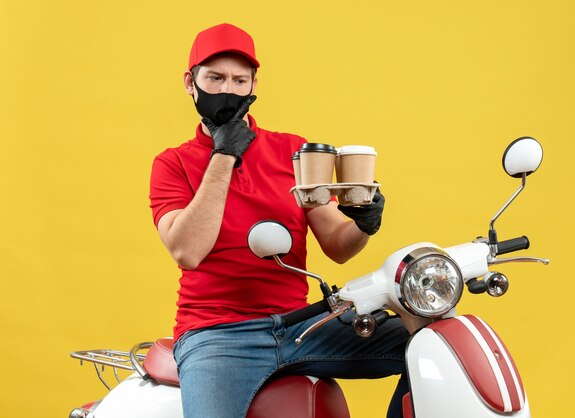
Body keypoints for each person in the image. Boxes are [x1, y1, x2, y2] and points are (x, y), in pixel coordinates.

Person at [149, 23, 409, 418]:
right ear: (191, 82)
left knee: (428, 341)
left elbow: (337, 246)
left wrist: (362, 224)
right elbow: (187, 250)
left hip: (301, 326)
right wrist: (224, 156)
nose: (228, 90)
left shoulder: (293, 152)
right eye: (215, 78)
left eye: (240, 80)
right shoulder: (172, 163)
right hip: (217, 336)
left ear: (254, 86)